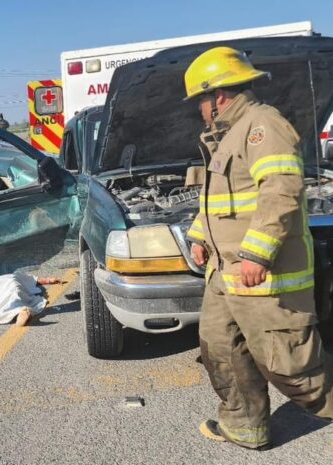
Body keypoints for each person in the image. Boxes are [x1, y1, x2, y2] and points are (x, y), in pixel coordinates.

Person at [184, 46, 333, 450]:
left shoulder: (262, 125)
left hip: (261, 274)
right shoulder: (226, 137)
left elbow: (280, 191)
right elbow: (220, 200)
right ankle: (245, 426)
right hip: (224, 272)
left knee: (292, 368)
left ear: (218, 96)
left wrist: (255, 254)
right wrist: (200, 235)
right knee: (220, 347)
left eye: (201, 98)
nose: (199, 107)